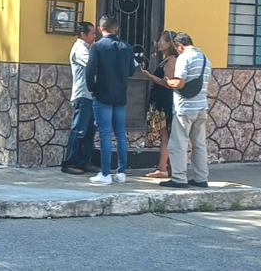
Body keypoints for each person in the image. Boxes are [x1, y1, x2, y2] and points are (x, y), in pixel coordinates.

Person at [85, 15, 136, 185]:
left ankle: (106, 173)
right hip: (120, 95)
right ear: (117, 28)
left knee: (105, 134)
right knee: (121, 134)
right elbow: (131, 71)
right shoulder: (127, 47)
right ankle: (121, 172)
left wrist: (92, 88)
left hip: (102, 94)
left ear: (100, 29)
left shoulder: (97, 47)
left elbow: (89, 72)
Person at [162, 32, 211, 188]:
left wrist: (168, 82)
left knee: (178, 143)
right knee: (199, 144)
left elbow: (180, 83)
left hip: (185, 108)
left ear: (180, 45)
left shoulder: (184, 58)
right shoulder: (205, 59)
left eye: (177, 48)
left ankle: (179, 178)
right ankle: (201, 178)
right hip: (201, 107)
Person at [61, 21, 100, 175]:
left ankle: (84, 162)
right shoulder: (80, 49)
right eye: (92, 33)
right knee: (79, 130)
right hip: (83, 94)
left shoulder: (89, 48)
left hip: (91, 95)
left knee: (90, 131)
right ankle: (70, 162)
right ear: (83, 34)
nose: (94, 36)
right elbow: (93, 65)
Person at [139, 31, 178, 179]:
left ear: (169, 43)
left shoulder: (171, 60)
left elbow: (166, 82)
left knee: (165, 135)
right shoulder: (167, 59)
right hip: (161, 100)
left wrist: (149, 76)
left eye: (162, 40)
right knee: (166, 135)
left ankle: (162, 168)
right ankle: (169, 167)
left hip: (163, 102)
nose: (158, 43)